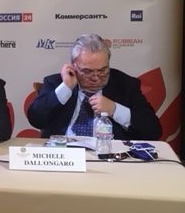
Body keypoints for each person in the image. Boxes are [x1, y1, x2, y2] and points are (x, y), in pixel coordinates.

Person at [27, 33, 161, 140]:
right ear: (74, 66)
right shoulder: (56, 82)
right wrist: (65, 88)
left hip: (108, 156)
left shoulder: (125, 85)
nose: (96, 78)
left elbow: (154, 131)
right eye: (87, 71)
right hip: (65, 155)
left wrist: (115, 109)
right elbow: (35, 119)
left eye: (102, 70)